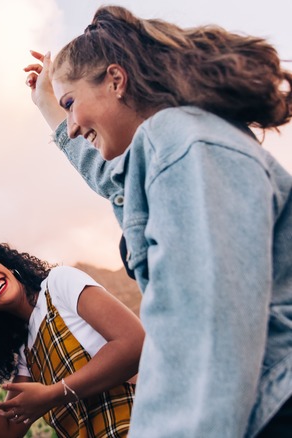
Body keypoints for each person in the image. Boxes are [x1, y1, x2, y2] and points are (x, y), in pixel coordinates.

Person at [24, 5, 292, 437]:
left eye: (72, 105)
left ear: (116, 79)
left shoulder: (182, 143)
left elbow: (207, 329)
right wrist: (49, 107)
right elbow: (111, 177)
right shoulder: (168, 147)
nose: (71, 128)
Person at [0, 240, 143, 438]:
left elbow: (135, 343)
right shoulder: (26, 353)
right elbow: (4, 432)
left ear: (6, 265)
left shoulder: (59, 284)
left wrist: (53, 394)